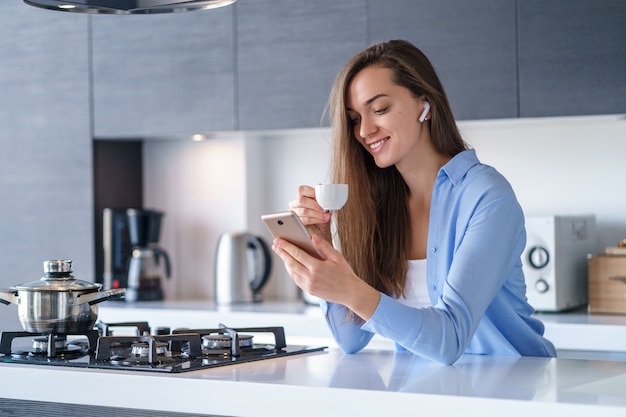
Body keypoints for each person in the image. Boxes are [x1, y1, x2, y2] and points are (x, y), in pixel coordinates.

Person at [270, 39, 556, 365]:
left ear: (425, 103)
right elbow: (350, 339)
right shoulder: (379, 204)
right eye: (353, 119)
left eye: (379, 109)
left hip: (517, 392)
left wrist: (350, 289)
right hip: (431, 392)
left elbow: (450, 338)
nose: (364, 130)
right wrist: (319, 243)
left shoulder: (487, 197)